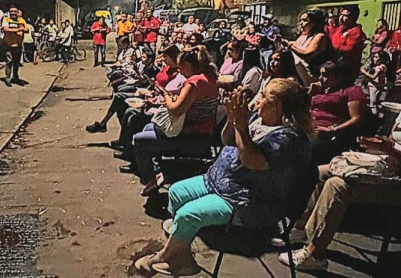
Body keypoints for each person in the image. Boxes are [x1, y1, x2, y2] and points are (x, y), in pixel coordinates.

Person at [282, 63, 401, 271]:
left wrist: (393, 152)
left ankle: (315, 254)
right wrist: (377, 146)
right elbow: (393, 142)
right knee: (321, 172)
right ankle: (300, 230)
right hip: (389, 171)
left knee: (338, 185)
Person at [135, 80, 316, 276]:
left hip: (249, 201)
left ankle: (168, 256)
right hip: (221, 182)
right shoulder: (259, 118)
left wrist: (241, 124)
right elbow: (227, 140)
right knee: (176, 192)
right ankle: (182, 251)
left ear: (278, 106)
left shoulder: (288, 140)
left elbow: (251, 161)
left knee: (188, 214)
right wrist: (232, 119)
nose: (258, 99)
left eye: (264, 96)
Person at [131, 46, 219, 196]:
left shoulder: (195, 82)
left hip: (192, 136)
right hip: (203, 133)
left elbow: (175, 110)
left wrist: (166, 96)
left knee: (139, 140)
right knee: (148, 127)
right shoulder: (210, 77)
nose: (180, 71)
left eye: (181, 68)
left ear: (189, 65)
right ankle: (159, 171)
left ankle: (150, 178)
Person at [309, 60, 368, 165]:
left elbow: (356, 118)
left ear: (338, 76)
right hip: (310, 128)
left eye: (325, 75)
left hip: (330, 134)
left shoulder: (351, 91)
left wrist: (332, 130)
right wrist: (310, 93)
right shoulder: (323, 90)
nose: (320, 79)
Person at [281, 10, 331, 87]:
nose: (301, 23)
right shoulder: (303, 36)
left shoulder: (320, 36)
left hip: (311, 77)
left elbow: (307, 53)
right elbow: (293, 46)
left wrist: (290, 46)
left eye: (305, 20)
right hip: (299, 75)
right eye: (300, 20)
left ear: (314, 23)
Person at [330, 5, 366, 81]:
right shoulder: (341, 29)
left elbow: (347, 48)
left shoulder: (356, 31)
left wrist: (338, 45)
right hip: (337, 64)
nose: (341, 18)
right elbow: (333, 40)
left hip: (348, 67)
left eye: (345, 15)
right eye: (341, 15)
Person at [1, 6, 28, 87]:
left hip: (18, 45)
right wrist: (18, 29)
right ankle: (7, 78)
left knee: (16, 62)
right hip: (8, 44)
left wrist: (20, 29)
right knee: (9, 61)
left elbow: (26, 29)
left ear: (18, 12)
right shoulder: (6, 19)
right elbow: (5, 29)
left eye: (15, 11)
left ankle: (15, 77)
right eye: (11, 11)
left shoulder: (22, 20)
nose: (13, 13)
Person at [360, 51, 390, 115]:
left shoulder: (380, 67)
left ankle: (373, 116)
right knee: (375, 102)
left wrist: (364, 72)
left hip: (375, 86)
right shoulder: (379, 66)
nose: (374, 59)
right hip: (376, 86)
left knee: (372, 103)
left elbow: (373, 77)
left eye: (376, 57)